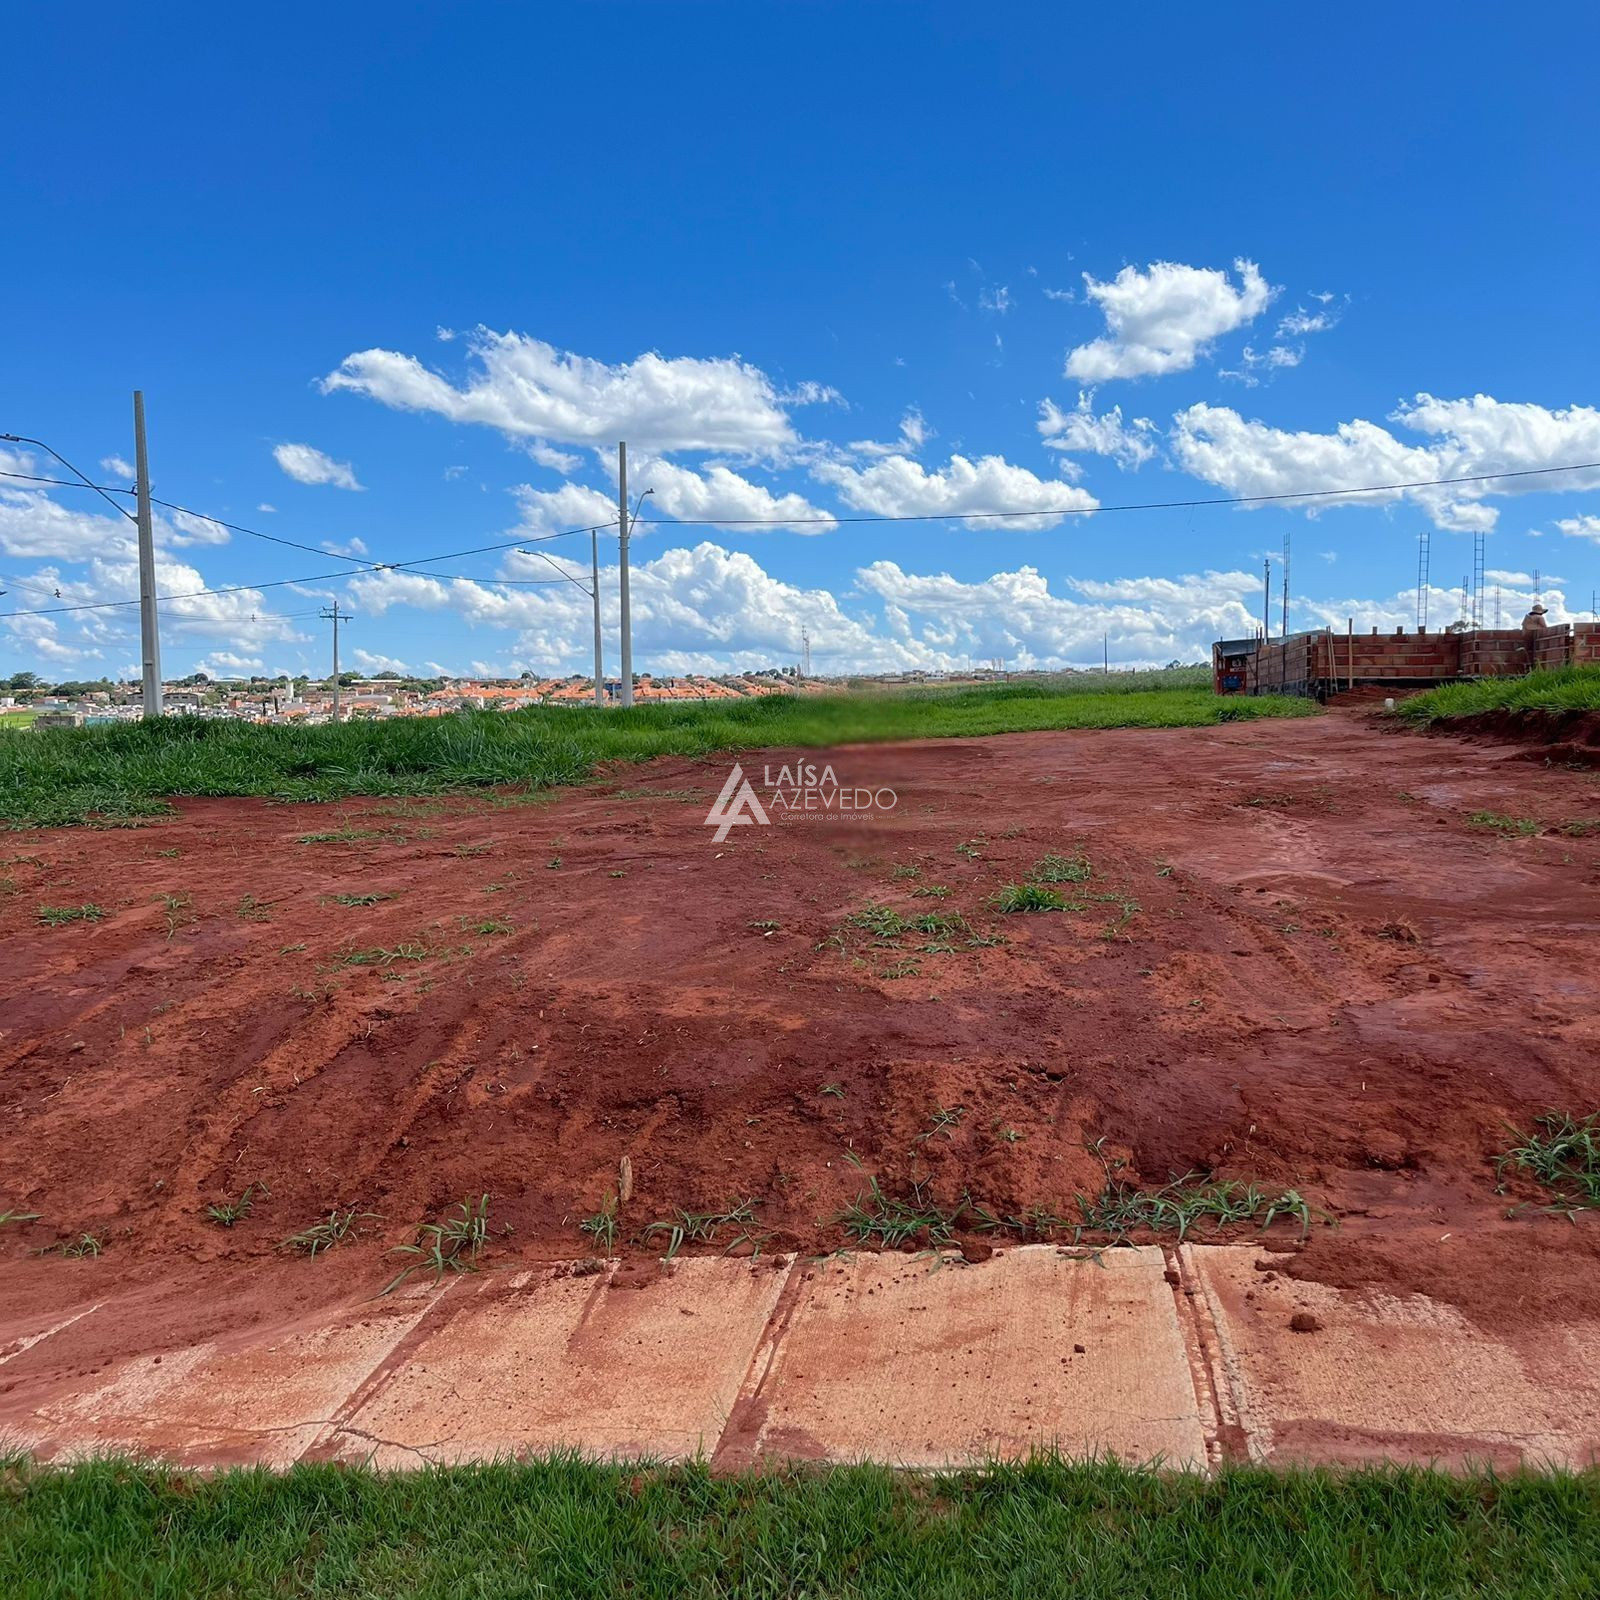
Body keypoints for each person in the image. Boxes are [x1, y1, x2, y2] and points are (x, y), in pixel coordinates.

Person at [1521, 603, 1548, 671]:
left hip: (1526, 638)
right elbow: (1545, 628)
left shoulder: (1527, 619)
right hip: (1537, 638)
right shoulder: (1540, 618)